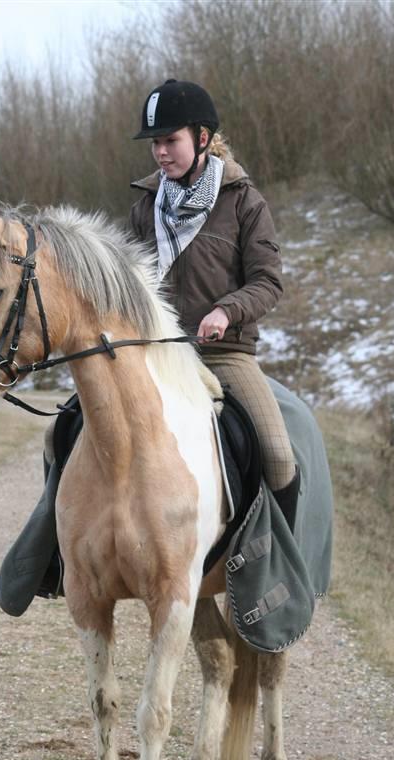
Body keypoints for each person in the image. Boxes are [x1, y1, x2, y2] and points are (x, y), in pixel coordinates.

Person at [128, 78, 299, 526]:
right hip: (158, 353)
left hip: (223, 355)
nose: (161, 152)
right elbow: (128, 285)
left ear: (202, 139)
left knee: (280, 456)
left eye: (171, 140)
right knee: (63, 434)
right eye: (155, 144)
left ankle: (279, 568)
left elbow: (268, 281)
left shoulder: (245, 203)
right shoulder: (145, 208)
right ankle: (58, 561)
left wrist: (226, 310)